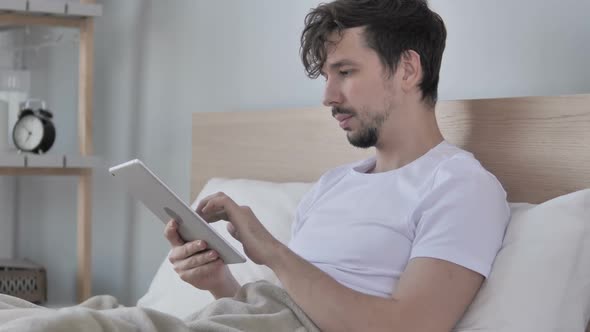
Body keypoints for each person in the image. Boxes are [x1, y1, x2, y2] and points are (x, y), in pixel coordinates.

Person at [164, 0, 510, 331]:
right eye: (327, 77)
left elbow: (410, 326)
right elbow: (279, 315)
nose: (328, 97)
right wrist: (217, 282)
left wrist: (271, 251)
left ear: (407, 69)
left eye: (345, 72)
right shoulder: (332, 184)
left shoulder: (460, 185)